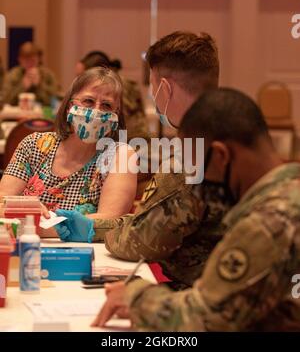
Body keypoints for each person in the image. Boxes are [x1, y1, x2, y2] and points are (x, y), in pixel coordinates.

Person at [92, 88, 300, 332]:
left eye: (198, 170)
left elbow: (202, 319)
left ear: (221, 156)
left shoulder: (266, 224)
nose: (199, 185)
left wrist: (134, 295)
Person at [54, 31, 232, 289]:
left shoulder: (188, 158)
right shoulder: (233, 132)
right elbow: (150, 220)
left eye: (152, 87)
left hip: (198, 297)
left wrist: (94, 230)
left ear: (165, 89)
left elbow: (141, 239)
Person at [0, 67, 137, 237]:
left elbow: (109, 222)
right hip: (26, 250)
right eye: (88, 101)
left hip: (88, 257)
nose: (96, 111)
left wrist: (33, 223)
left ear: (115, 117)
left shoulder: (121, 156)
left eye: (106, 105)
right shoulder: (34, 144)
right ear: (69, 106)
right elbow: (2, 201)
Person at [75, 50, 149, 142]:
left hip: (133, 140)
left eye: (80, 76)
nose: (77, 80)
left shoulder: (117, 86)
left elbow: (120, 119)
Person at [2, 42, 58, 106]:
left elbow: (55, 102)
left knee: (50, 113)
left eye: (32, 60)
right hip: (17, 113)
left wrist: (39, 85)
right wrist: (22, 86)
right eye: (26, 61)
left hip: (43, 113)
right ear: (19, 60)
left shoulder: (48, 75)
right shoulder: (12, 75)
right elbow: (5, 101)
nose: (29, 64)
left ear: (38, 59)